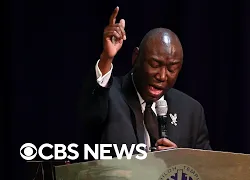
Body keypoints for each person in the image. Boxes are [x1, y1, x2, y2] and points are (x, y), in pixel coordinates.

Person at [77, 6, 211, 160]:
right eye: (154, 64)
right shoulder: (110, 97)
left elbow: (206, 170)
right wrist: (107, 57)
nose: (162, 76)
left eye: (172, 69)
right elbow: (90, 114)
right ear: (136, 57)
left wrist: (179, 162)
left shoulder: (191, 111)